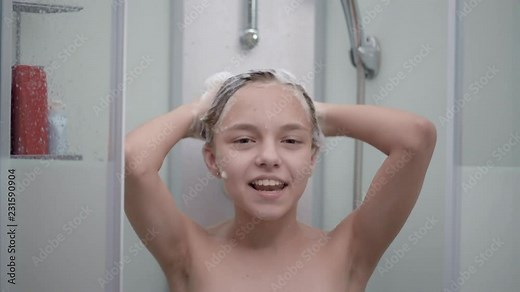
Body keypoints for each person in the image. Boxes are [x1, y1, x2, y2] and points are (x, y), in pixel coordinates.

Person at [124, 69, 436, 292]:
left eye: (291, 141)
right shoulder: (188, 251)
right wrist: (197, 113)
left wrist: (313, 113)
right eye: (245, 140)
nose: (269, 157)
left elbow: (416, 138)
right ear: (212, 160)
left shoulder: (349, 251)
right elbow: (134, 162)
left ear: (312, 158)